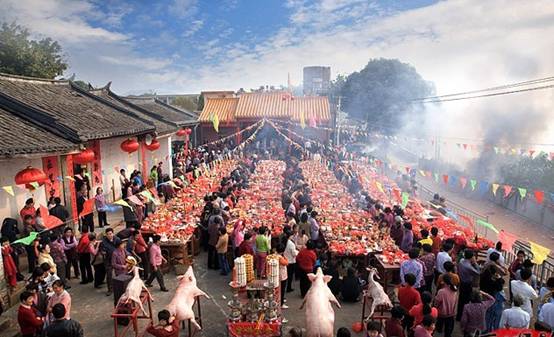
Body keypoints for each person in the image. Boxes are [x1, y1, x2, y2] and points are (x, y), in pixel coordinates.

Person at [456, 249, 480, 321]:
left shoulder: (461, 262)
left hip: (462, 282)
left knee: (461, 300)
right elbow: (478, 272)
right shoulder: (468, 266)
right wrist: (475, 263)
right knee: (466, 301)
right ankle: (464, 317)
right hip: (467, 284)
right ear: (472, 257)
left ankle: (459, 316)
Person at [102, 227, 120, 296]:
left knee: (119, 273)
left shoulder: (117, 239)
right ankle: (110, 289)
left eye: (110, 234)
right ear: (106, 235)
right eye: (108, 234)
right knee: (109, 275)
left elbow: (121, 248)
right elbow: (102, 250)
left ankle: (119, 287)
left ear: (113, 233)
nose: (109, 235)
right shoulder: (104, 242)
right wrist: (103, 252)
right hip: (108, 260)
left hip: (117, 259)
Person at [283, 228, 298, 293]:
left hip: (285, 259)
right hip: (291, 261)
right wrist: (298, 252)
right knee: (290, 275)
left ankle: (285, 286)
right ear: (290, 236)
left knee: (285, 274)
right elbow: (294, 254)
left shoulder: (284, 241)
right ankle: (288, 287)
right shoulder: (291, 244)